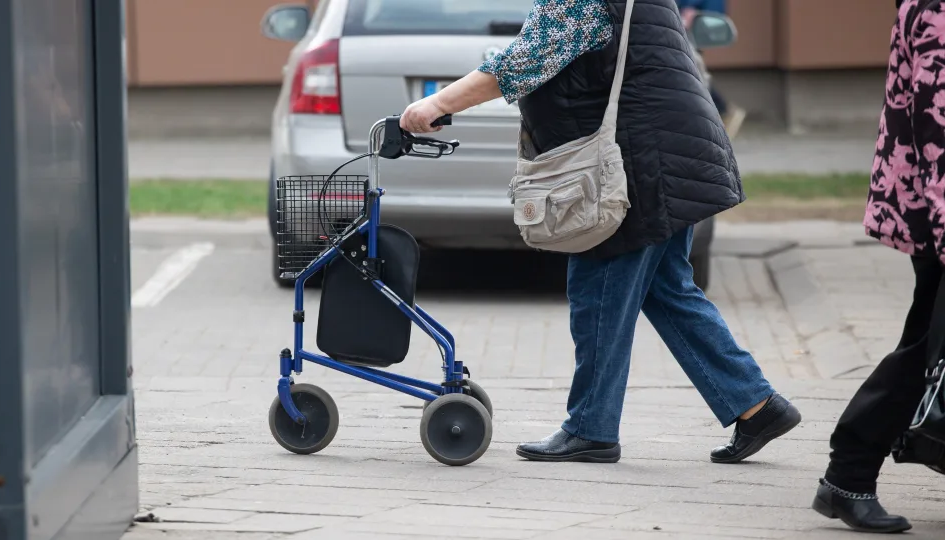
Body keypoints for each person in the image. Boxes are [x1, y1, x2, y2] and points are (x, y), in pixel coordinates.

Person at [401, 0, 800, 464]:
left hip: (634, 166)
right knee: (669, 291)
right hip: (668, 154)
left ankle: (590, 427)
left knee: (599, 291)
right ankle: (756, 406)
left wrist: (437, 103)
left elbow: (522, 62)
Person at [812, 0, 945, 533]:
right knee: (928, 347)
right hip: (938, 211)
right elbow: (939, 128)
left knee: (928, 340)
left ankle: (849, 474)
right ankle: (848, 472)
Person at [675, 0, 747, 138]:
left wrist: (697, 14)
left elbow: (715, 10)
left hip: (687, 29)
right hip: (673, 28)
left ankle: (722, 110)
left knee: (690, 74)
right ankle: (722, 111)